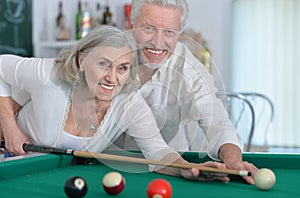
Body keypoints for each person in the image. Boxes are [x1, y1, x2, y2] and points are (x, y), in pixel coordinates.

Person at [0, 25, 230, 182]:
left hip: (60, 181)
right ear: (82, 60)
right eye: (103, 64)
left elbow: (158, 152)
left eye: (122, 68)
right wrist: (10, 129)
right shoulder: (49, 74)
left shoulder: (129, 103)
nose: (112, 77)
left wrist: (189, 170)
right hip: (11, 167)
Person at [111, 0, 257, 184]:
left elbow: (217, 122)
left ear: (179, 33)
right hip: (109, 166)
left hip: (174, 171)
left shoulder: (189, 69)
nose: (157, 42)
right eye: (149, 28)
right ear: (131, 26)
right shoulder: (109, 56)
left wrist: (234, 160)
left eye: (169, 32)